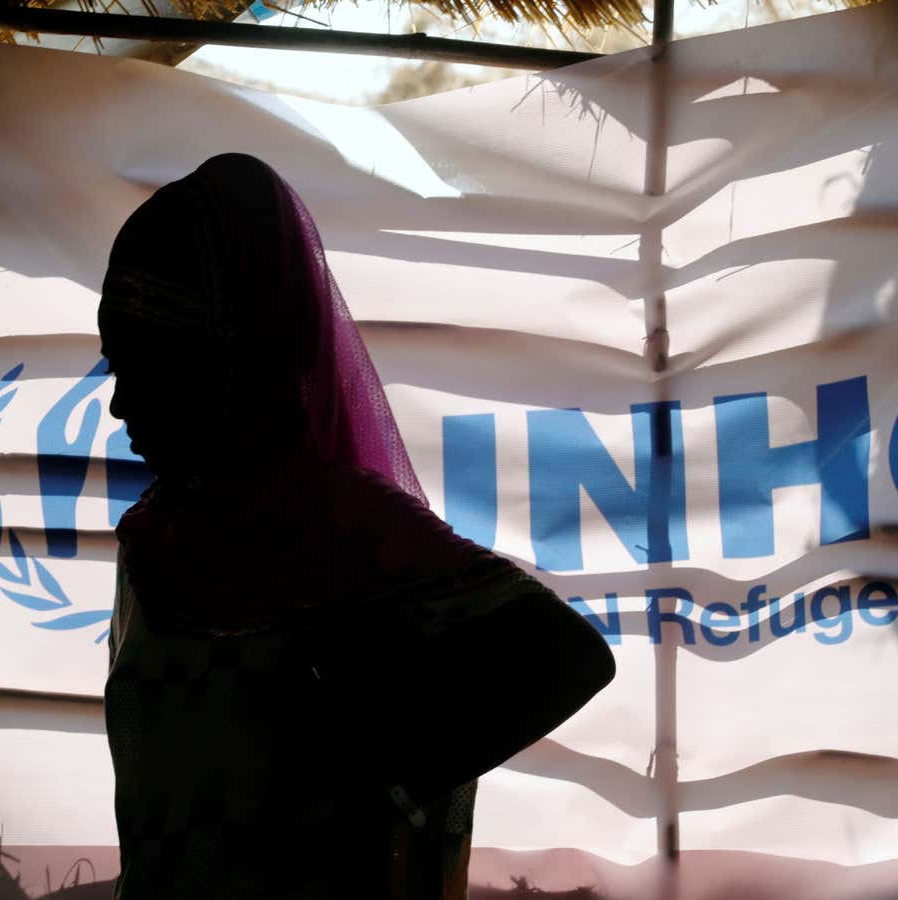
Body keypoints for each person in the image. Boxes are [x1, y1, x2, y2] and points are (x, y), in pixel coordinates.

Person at [98, 153, 616, 899]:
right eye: (115, 367)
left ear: (224, 358)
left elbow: (567, 659)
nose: (120, 406)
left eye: (145, 367)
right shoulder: (153, 543)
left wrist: (361, 780)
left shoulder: (344, 530)